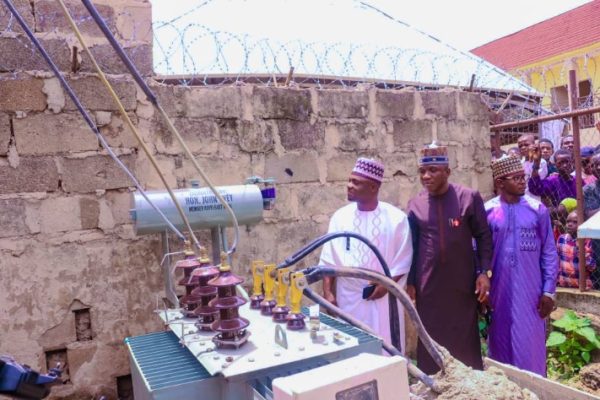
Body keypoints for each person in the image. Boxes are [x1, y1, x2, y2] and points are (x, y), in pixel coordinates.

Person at [406, 142, 492, 374]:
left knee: (464, 343)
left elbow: (484, 237)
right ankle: (435, 387)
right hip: (429, 288)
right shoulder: (415, 205)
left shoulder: (468, 198)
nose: (426, 176)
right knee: (431, 340)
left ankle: (469, 389)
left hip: (462, 287)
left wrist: (485, 272)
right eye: (422, 171)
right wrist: (411, 282)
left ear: (447, 172)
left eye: (433, 170)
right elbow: (412, 247)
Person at [319, 157, 413, 351]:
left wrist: (386, 284)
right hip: (349, 298)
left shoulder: (396, 219)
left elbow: (403, 260)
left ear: (373, 187)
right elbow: (328, 259)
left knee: (387, 350)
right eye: (349, 180)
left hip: (384, 300)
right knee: (352, 348)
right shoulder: (340, 217)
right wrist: (328, 293)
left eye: (356, 182)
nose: (349, 186)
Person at [485, 156, 558, 377]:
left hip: (531, 293)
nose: (522, 182)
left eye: (522, 177)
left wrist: (548, 291)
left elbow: (549, 252)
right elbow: (479, 254)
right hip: (499, 292)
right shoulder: (488, 211)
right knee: (500, 343)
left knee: (531, 346)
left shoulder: (538, 210)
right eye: (515, 178)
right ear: (500, 183)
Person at [557, 211, 596, 290]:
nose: (570, 224)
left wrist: (580, 249)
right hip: (563, 284)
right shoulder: (562, 239)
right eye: (568, 221)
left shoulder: (588, 241)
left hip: (583, 287)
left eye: (575, 222)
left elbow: (592, 267)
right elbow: (556, 260)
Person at [583, 153, 600, 289]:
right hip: (597, 240)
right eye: (595, 165)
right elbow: (590, 214)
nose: (599, 167)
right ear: (591, 168)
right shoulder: (588, 190)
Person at [517, 134, 547, 200]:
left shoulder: (541, 162)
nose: (523, 147)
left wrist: (536, 162)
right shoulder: (520, 163)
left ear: (534, 145)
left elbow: (537, 180)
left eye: (526, 145)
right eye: (520, 146)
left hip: (535, 198)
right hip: (522, 198)